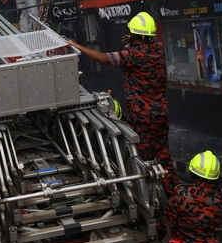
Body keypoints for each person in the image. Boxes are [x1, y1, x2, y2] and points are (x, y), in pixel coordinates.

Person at [67, 12, 179, 196]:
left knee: (141, 161)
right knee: (164, 158)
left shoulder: (133, 55)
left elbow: (103, 58)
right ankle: (175, 198)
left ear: (136, 36)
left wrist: (77, 45)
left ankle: (147, 200)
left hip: (143, 119)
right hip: (161, 115)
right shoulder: (157, 50)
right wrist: (135, 38)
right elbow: (143, 45)